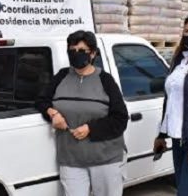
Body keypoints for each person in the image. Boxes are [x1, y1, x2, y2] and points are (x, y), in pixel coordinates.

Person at [36, 30, 128, 196]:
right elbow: (42, 100)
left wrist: (90, 128)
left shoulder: (105, 80)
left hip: (105, 159)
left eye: (81, 51)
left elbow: (120, 119)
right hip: (71, 159)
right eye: (72, 51)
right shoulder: (62, 76)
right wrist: (52, 114)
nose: (75, 55)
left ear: (92, 53)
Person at [154, 16, 188, 196]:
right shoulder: (178, 60)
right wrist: (161, 134)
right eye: (187, 31)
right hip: (177, 137)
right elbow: (170, 100)